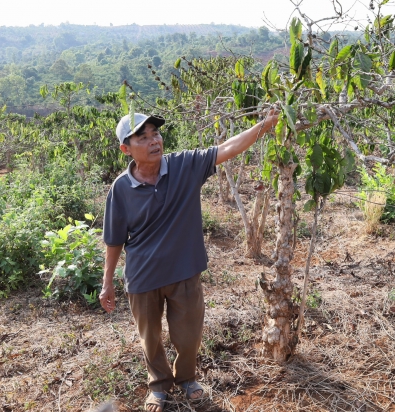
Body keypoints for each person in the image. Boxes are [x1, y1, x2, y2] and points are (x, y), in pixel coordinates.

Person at [99, 109, 278, 412]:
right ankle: (159, 386)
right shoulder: (121, 189)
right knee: (150, 339)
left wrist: (264, 125)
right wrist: (107, 282)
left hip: (184, 272)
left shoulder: (184, 166)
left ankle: (187, 379)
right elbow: (114, 239)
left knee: (188, 335)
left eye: (155, 133)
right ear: (125, 149)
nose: (153, 140)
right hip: (143, 278)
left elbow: (227, 148)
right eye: (142, 137)